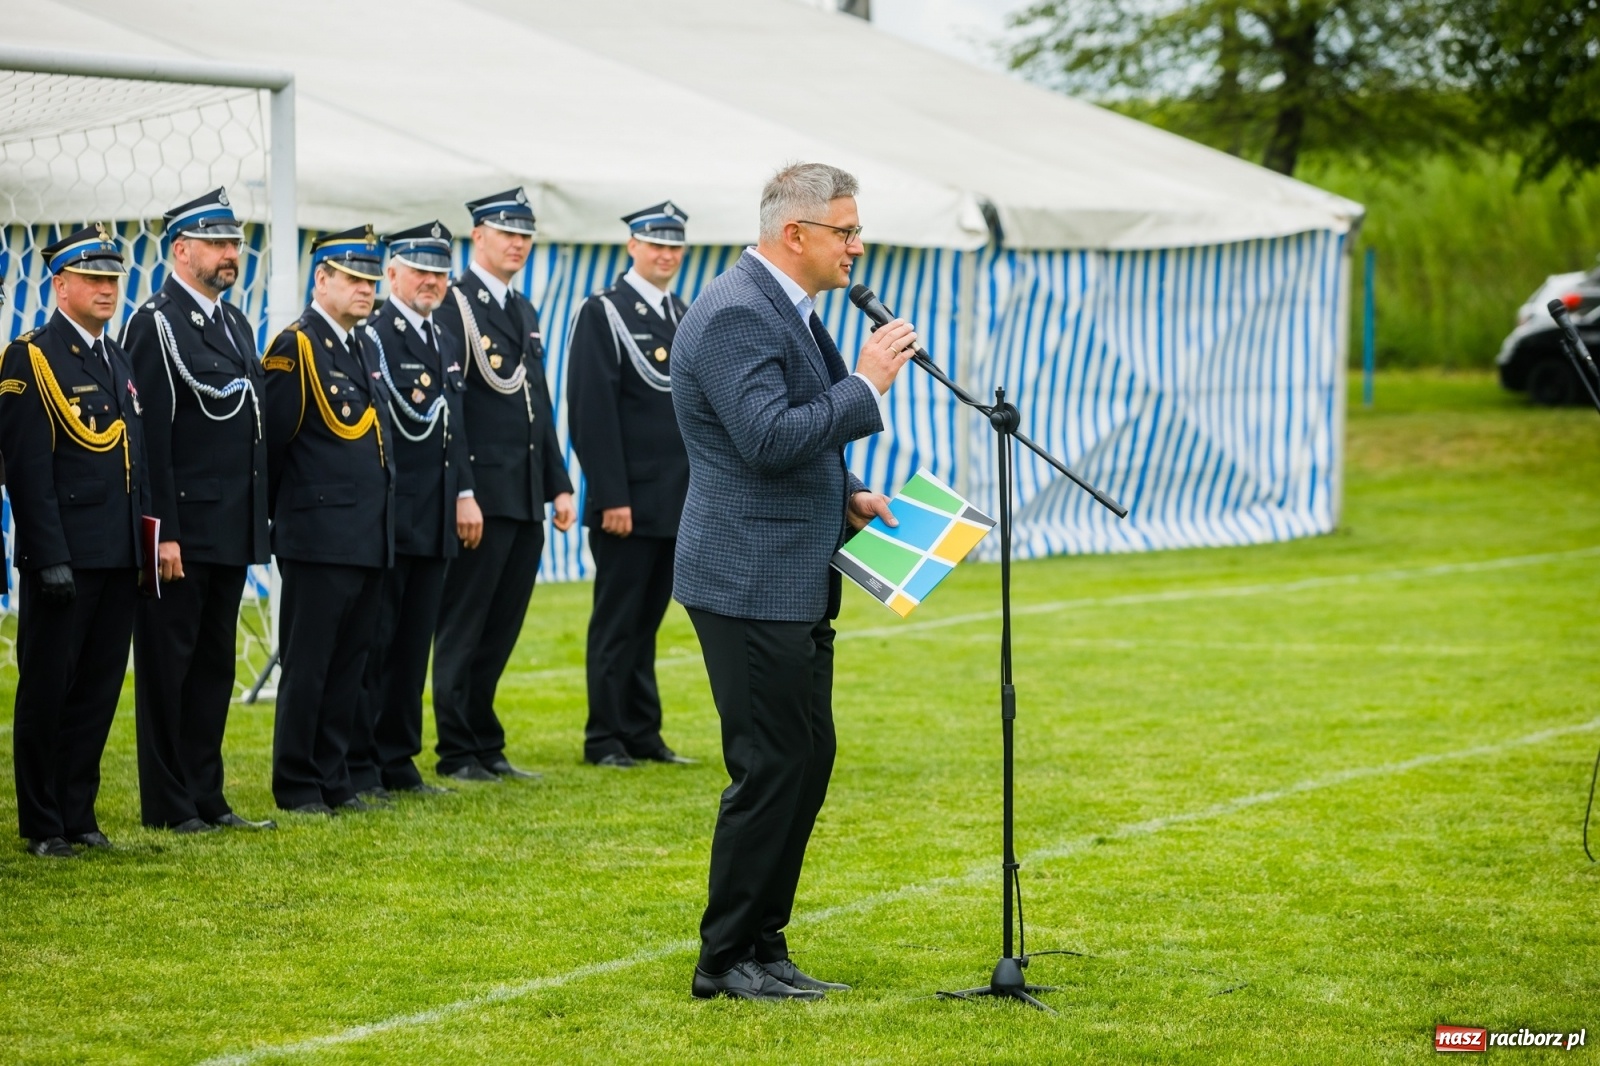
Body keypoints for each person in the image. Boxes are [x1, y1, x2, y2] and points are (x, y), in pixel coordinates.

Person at [672, 163, 918, 1000]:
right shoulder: (741, 312)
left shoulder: (787, 306)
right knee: (771, 763)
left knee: (808, 755)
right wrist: (867, 383)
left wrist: (846, 495)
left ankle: (765, 944)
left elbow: (791, 446)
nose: (858, 244)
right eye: (845, 230)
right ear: (797, 235)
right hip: (746, 578)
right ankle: (723, 958)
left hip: (793, 567)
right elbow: (768, 440)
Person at [120, 188, 275, 834]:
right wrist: (165, 534)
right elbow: (151, 440)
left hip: (231, 527)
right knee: (168, 668)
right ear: (181, 251)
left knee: (213, 668)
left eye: (234, 243)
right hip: (184, 531)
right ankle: (169, 803)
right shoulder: (156, 323)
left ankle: (207, 795)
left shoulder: (233, 322)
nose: (230, 254)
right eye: (216, 243)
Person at [0, 225, 153, 857]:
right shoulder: (31, 356)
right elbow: (27, 470)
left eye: (112, 278)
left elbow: (133, 462)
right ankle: (42, 823)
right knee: (47, 689)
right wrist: (49, 556)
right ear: (59, 284)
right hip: (65, 557)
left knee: (96, 689)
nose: (106, 288)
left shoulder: (113, 356)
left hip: (116, 556)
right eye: (92, 278)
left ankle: (78, 813)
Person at [431, 188, 575, 784]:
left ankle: (485, 741)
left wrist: (559, 483)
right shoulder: (453, 304)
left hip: (523, 494)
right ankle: (456, 748)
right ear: (478, 237)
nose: (517, 243)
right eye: (505, 232)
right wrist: (464, 491)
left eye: (525, 234)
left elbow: (537, 403)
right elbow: (453, 408)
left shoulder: (523, 310)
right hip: (482, 497)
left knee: (502, 624)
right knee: (465, 623)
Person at [260, 226, 394, 816]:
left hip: (364, 533)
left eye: (371, 281)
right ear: (322, 278)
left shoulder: (359, 344)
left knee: (349, 666)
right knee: (309, 664)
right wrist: (287, 523)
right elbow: (276, 445)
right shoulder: (297, 345)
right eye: (355, 279)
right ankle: (296, 782)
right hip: (318, 534)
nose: (366, 290)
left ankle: (334, 776)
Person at [346, 222, 475, 798]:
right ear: (390, 272)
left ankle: (399, 760)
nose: (431, 280)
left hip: (434, 515)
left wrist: (464, 494)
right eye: (419, 269)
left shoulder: (440, 337)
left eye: (439, 271)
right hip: (393, 517)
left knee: (411, 646)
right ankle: (362, 761)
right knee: (375, 645)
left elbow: (454, 427)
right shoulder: (373, 336)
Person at [566, 202, 695, 769]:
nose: (665, 255)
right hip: (628, 501)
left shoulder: (683, 312)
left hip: (675, 501)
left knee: (647, 624)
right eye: (655, 244)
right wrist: (611, 495)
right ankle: (605, 738)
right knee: (617, 623)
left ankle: (643, 733)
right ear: (632, 247)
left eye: (674, 246)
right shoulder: (605, 312)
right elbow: (591, 412)